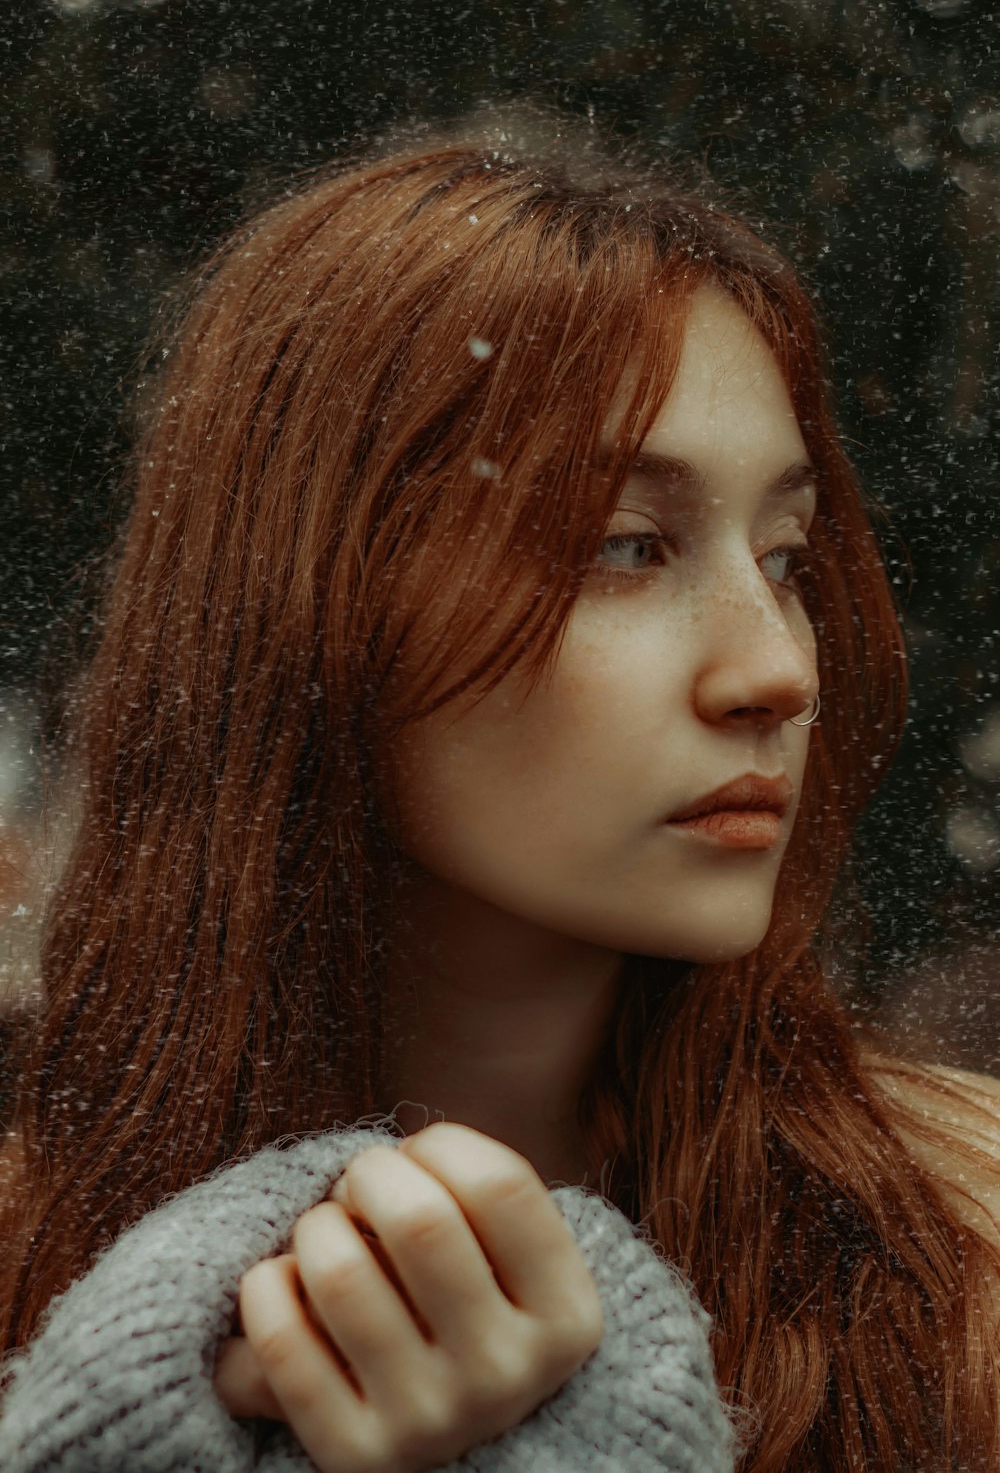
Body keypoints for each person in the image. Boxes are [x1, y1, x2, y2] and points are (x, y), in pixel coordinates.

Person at [1, 123, 998, 1472]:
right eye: (626, 547)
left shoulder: (963, 1254)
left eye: (787, 556)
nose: (771, 669)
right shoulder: (32, 1263)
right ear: (321, 601)